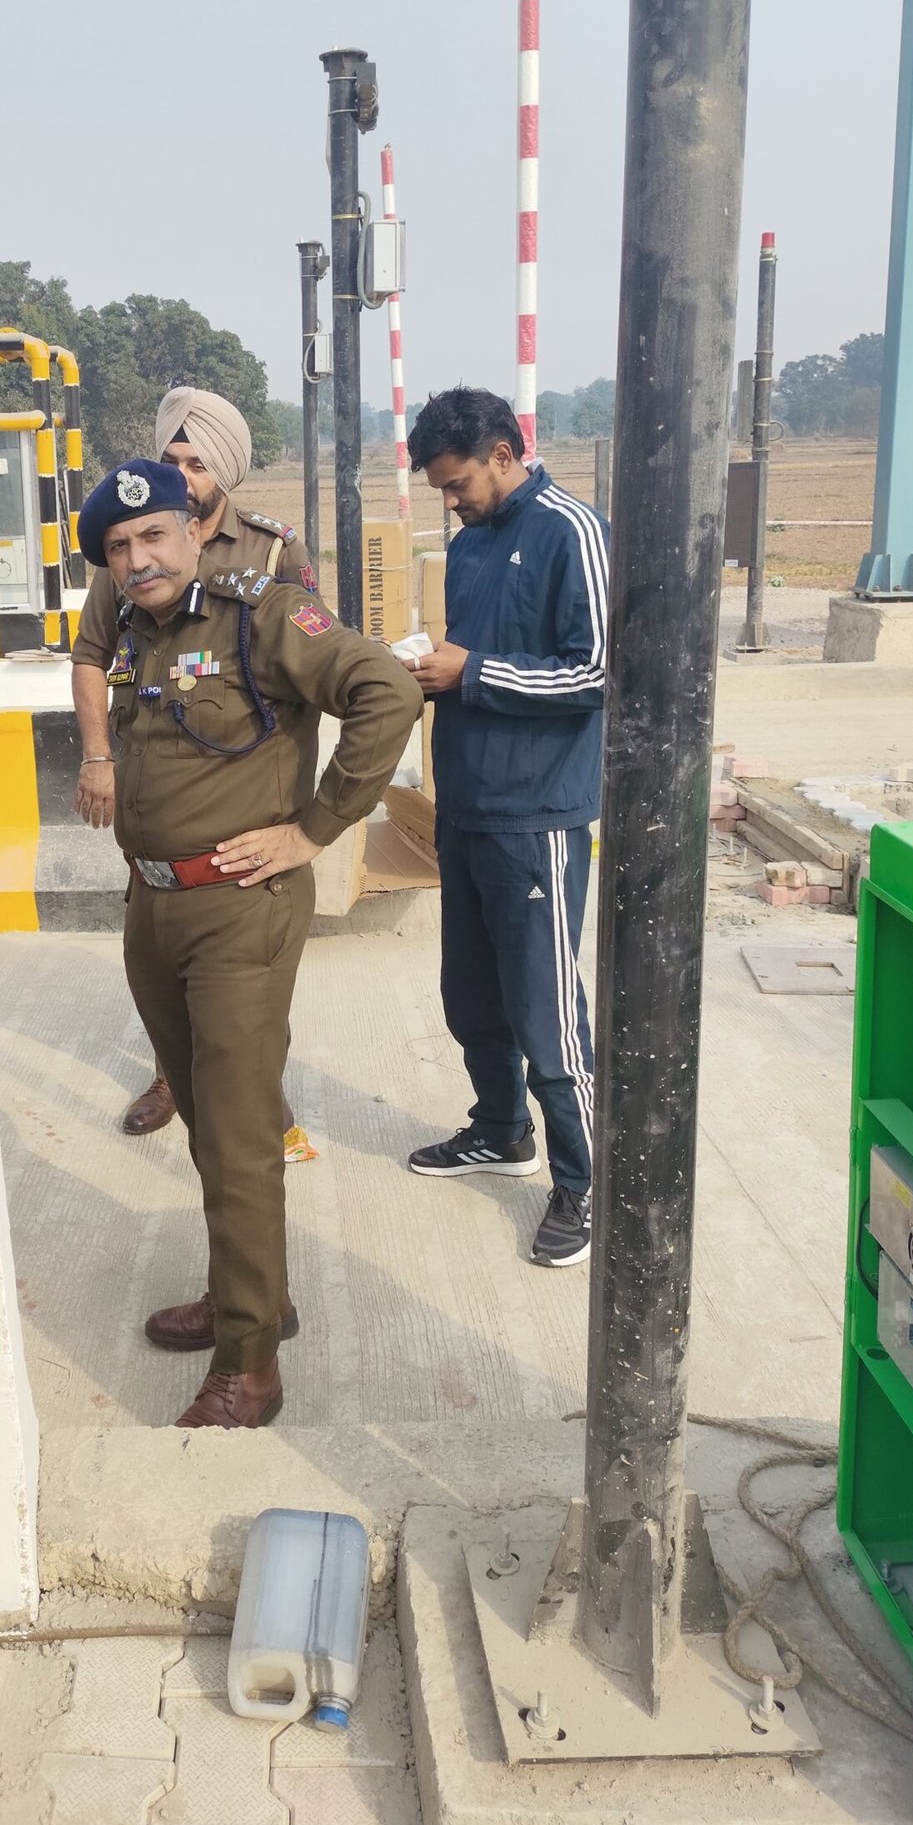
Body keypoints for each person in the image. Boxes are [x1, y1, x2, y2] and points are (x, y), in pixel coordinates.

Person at [77, 458, 421, 1428]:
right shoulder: (134, 634)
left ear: (194, 532)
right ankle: (254, 1296)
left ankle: (249, 1367)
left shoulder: (260, 614)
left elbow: (387, 691)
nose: (138, 558)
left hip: (239, 911)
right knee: (203, 1117)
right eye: (118, 547)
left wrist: (315, 829)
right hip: (154, 907)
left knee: (237, 1138)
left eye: (154, 535)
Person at [71, 386, 317, 1142]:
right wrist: (98, 756)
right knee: (162, 960)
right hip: (156, 792)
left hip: (243, 803)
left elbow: (310, 674)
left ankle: (255, 1088)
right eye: (173, 459)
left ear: (226, 471)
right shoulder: (127, 550)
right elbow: (90, 655)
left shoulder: (272, 551)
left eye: (198, 463)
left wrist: (304, 818)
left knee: (247, 979)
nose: (184, 474)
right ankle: (171, 1078)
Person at [404, 387, 610, 1270]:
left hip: (537, 815)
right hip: (468, 806)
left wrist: (474, 671)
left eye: (458, 484)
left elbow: (598, 672)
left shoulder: (573, 531)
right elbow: (470, 661)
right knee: (472, 996)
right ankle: (499, 1129)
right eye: (441, 489)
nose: (451, 501)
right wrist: (432, 671)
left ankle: (587, 1183)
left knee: (545, 1013)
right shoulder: (469, 543)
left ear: (503, 452)